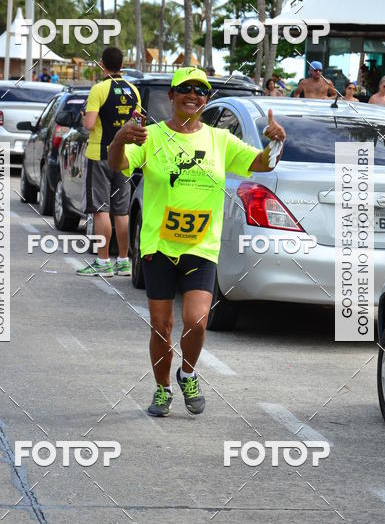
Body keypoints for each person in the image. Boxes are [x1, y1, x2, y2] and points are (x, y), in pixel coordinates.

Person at [108, 66, 286, 418]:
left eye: (200, 91)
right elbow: (119, 164)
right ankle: (162, 388)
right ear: (172, 96)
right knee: (161, 327)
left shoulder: (220, 140)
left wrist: (277, 142)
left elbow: (262, 164)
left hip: (201, 246)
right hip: (159, 246)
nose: (193, 95)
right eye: (185, 89)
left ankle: (187, 373)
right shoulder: (152, 136)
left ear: (207, 99)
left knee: (196, 321)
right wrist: (119, 140)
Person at [77, 46, 141, 277]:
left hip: (100, 155)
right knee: (121, 211)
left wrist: (84, 117)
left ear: (102, 65)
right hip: (125, 157)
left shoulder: (99, 89)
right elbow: (138, 124)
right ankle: (123, 261)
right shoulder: (134, 90)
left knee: (100, 209)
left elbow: (89, 124)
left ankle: (103, 262)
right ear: (122, 65)